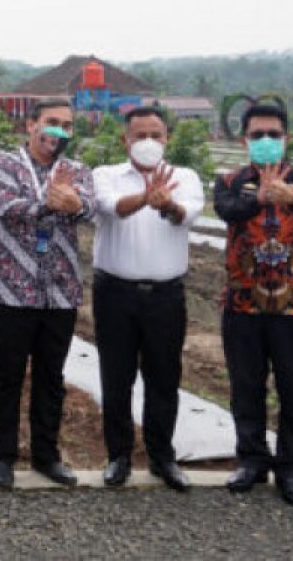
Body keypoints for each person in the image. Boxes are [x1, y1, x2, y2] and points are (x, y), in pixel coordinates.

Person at [0, 97, 95, 490]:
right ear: (31, 124)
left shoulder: (78, 170)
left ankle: (47, 455)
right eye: (51, 122)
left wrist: (75, 204)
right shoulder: (2, 166)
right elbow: (6, 206)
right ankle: (0, 454)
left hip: (59, 292)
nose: (58, 131)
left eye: (66, 124)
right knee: (6, 374)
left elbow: (89, 207)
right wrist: (48, 204)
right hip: (12, 288)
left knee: (51, 376)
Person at [92, 106, 203, 492]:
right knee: (116, 377)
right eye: (139, 135)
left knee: (164, 377)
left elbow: (185, 214)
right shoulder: (105, 175)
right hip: (114, 294)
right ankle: (118, 456)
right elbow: (111, 208)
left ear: (167, 138)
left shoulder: (185, 177)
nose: (148, 143)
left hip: (165, 297)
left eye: (156, 135)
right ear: (125, 140)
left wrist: (168, 204)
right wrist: (145, 197)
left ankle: (162, 457)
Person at [213, 102, 293, 507]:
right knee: (246, 387)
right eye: (258, 134)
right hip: (242, 304)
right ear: (245, 139)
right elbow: (226, 211)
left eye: (274, 134)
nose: (266, 141)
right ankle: (251, 460)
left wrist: (292, 197)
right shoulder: (230, 181)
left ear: (287, 138)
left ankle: (291, 467)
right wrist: (259, 198)